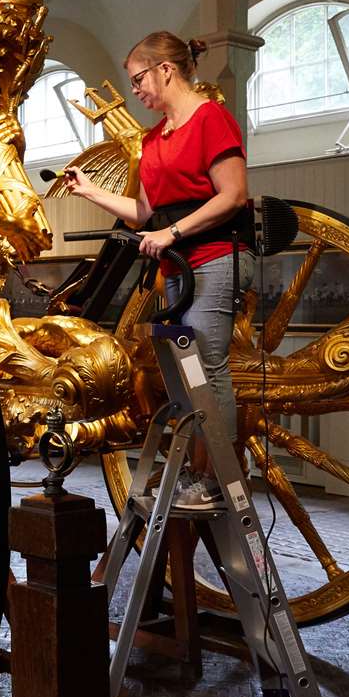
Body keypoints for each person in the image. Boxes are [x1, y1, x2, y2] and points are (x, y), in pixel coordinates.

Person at [63, 31, 249, 508]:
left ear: (166, 69)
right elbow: (146, 215)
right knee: (186, 376)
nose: (136, 90)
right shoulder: (152, 138)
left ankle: (220, 479)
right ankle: (195, 470)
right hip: (178, 270)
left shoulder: (211, 119)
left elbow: (232, 196)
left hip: (212, 258)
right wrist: (88, 191)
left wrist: (174, 234)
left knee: (209, 368)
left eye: (139, 78)